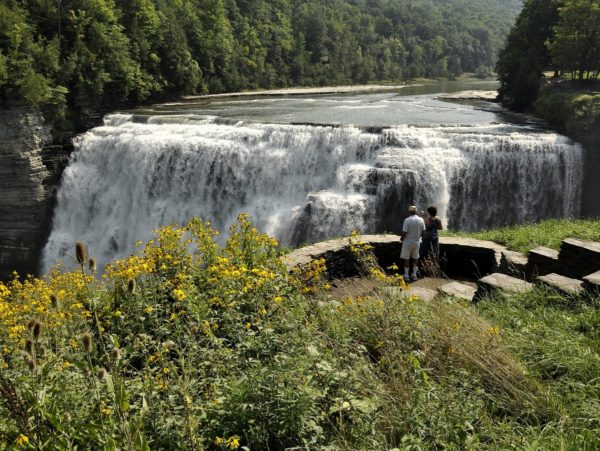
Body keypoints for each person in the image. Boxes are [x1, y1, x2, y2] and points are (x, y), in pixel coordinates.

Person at [400, 205, 425, 282]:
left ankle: (406, 275)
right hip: (417, 242)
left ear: (409, 212)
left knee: (406, 258)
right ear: (416, 211)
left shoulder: (407, 220)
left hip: (407, 242)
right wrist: (419, 237)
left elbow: (404, 232)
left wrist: (401, 239)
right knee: (415, 258)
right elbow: (423, 231)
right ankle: (414, 275)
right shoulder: (421, 220)